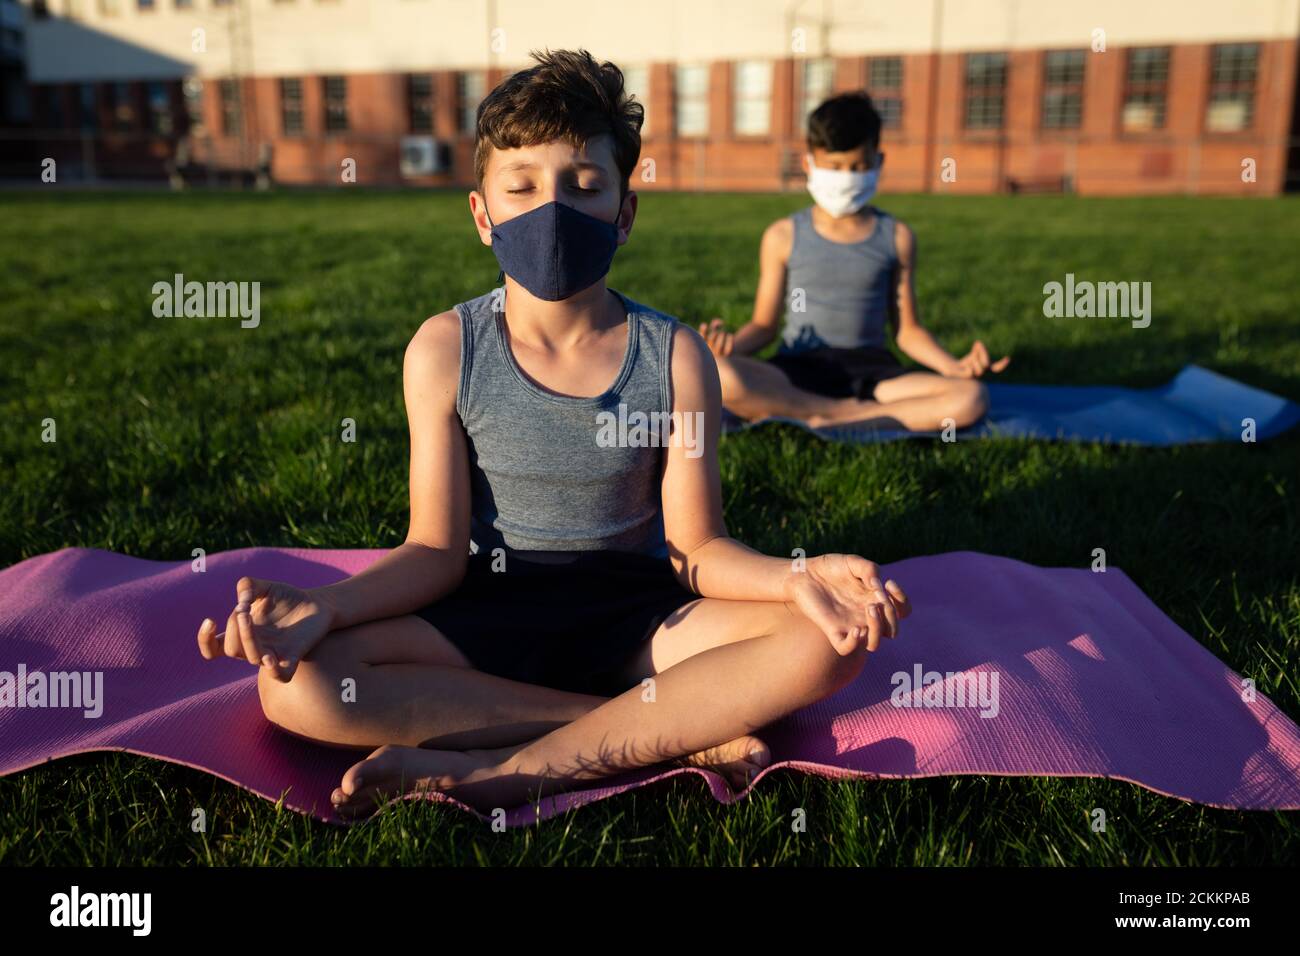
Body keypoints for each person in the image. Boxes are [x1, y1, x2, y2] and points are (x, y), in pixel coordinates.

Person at [195, 49, 910, 819]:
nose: (553, 208)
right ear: (482, 215)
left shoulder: (676, 355)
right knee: (298, 687)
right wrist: (328, 607)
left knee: (821, 645)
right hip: (490, 605)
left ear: (624, 214)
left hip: (639, 620)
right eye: (523, 186)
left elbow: (698, 549)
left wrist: (792, 579)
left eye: (585, 186)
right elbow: (433, 552)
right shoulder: (444, 349)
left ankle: (512, 766)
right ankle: (671, 728)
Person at [698, 91, 1010, 430]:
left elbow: (908, 331)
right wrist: (724, 348)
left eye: (858, 167)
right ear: (809, 164)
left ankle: (820, 415)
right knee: (719, 374)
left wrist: (953, 367)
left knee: (971, 396)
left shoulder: (898, 237)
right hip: (795, 367)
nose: (846, 177)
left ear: (879, 161)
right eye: (834, 167)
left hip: (873, 373)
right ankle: (853, 416)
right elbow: (764, 326)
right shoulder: (782, 236)